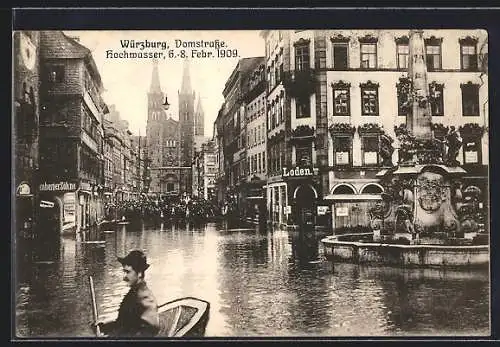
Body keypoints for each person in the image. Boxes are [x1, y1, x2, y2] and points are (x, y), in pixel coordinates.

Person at [92, 250, 160, 337]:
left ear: (139, 273)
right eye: (124, 272)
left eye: (128, 272)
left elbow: (148, 332)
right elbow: (124, 324)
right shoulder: (134, 293)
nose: (124, 277)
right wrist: (103, 327)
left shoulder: (145, 298)